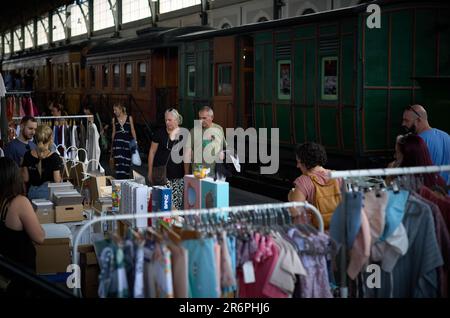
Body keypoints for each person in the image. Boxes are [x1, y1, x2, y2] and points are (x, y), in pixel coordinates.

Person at [0, 157, 45, 274]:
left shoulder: (4, 203)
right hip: (21, 274)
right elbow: (39, 237)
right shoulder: (19, 202)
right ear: (14, 177)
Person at [288, 142, 341, 229]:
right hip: (337, 229)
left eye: (299, 162)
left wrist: (291, 197)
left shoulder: (303, 181)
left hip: (314, 232)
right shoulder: (337, 176)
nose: (297, 166)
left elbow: (294, 211)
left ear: (306, 162)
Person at [402, 104, 450, 185]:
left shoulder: (417, 144)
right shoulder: (447, 137)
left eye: (406, 120)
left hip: (428, 194)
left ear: (418, 120)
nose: (403, 124)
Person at [148, 109, 185, 210]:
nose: (167, 122)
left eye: (170, 120)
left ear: (176, 120)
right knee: (164, 204)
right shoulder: (159, 133)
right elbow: (152, 152)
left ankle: (173, 225)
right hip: (161, 175)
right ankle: (162, 224)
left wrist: (187, 174)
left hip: (178, 176)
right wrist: (150, 172)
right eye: (166, 120)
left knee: (176, 205)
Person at [21, 125, 63, 199]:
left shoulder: (27, 155)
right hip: (48, 194)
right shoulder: (54, 157)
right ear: (50, 138)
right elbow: (57, 180)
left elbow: (25, 178)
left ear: (35, 138)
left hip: (32, 193)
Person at [184, 106, 226, 178]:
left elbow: (224, 147)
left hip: (216, 172)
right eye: (200, 118)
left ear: (212, 117)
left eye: (204, 118)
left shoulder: (219, 129)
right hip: (198, 172)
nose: (201, 120)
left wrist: (223, 153)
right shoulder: (193, 131)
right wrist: (186, 173)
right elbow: (187, 154)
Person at [111, 103, 137, 179]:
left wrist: (135, 142)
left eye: (115, 110)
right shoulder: (114, 120)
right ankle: (119, 181)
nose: (114, 112)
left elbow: (132, 130)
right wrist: (112, 146)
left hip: (127, 146)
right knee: (119, 164)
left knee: (126, 164)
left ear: (120, 109)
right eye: (114, 110)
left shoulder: (129, 118)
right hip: (117, 146)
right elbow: (113, 133)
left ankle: (125, 181)